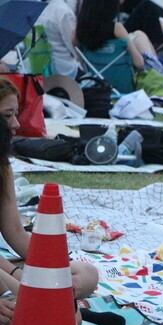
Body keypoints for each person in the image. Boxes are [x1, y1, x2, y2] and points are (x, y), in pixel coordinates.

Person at [0, 77, 99, 301]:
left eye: (16, 114)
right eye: (7, 116)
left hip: (6, 267)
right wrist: (17, 275)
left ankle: (54, 297)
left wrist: (54, 267)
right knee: (36, 301)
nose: (16, 124)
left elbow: (15, 231)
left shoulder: (3, 167)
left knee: (88, 274)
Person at [75, 0, 163, 77]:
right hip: (124, 81)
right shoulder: (116, 28)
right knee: (140, 35)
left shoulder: (78, 31)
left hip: (98, 78)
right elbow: (139, 63)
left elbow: (79, 57)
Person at [37, 0, 82, 79]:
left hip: (42, 69)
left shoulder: (35, 10)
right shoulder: (63, 11)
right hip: (66, 70)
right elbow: (75, 48)